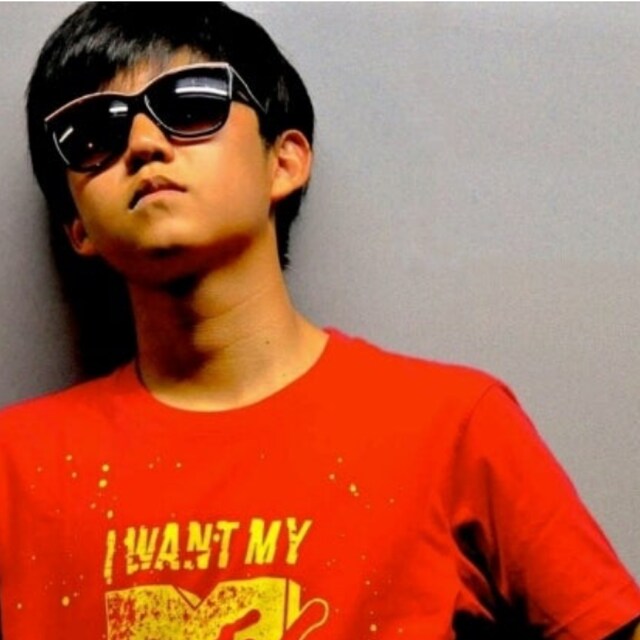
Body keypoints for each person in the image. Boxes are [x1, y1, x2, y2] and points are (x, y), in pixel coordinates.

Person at [0, 2, 638, 639]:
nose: (143, 145)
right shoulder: (16, 469)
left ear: (284, 161)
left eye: (192, 104)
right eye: (91, 134)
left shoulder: (453, 428)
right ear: (77, 226)